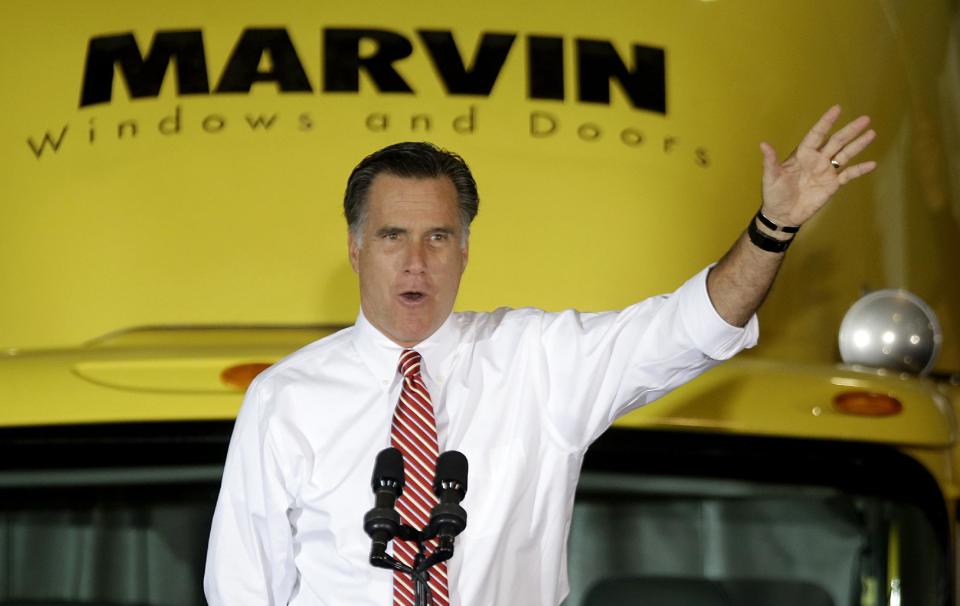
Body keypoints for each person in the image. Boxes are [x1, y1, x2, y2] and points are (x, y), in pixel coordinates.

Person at [204, 105, 876, 605]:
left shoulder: (537, 362)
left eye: (439, 236)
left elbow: (688, 328)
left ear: (466, 249)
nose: (416, 262)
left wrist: (773, 227)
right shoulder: (285, 398)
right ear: (355, 249)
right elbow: (242, 590)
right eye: (392, 236)